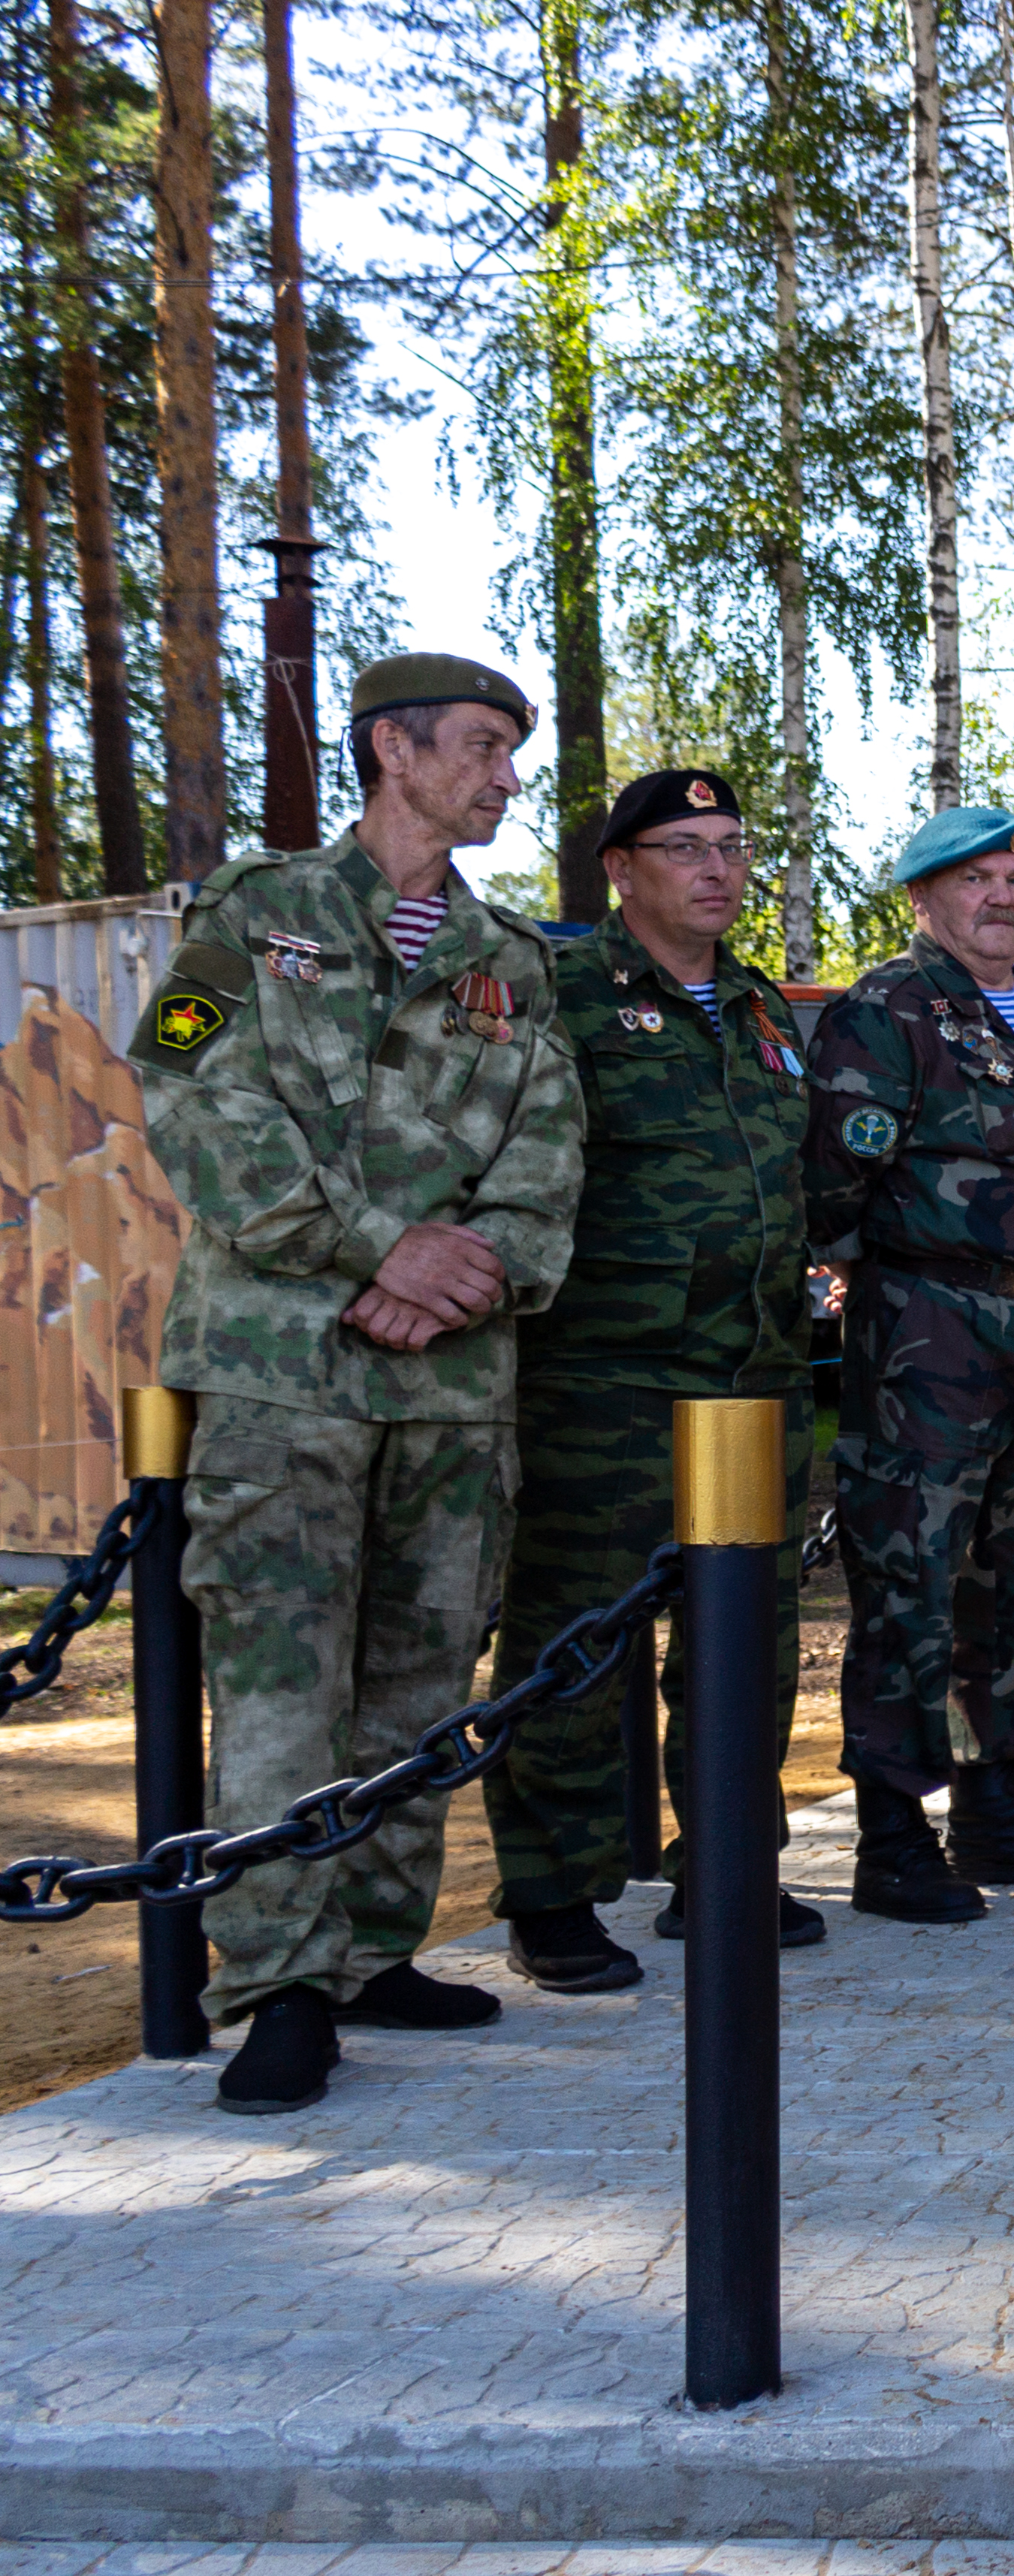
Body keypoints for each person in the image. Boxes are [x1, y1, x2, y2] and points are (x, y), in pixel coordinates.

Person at [127, 651, 584, 2114]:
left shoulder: (512, 961)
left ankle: (374, 1945)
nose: (505, 775)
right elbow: (191, 1096)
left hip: (452, 1385)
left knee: (414, 1675)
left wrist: (465, 1270)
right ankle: (275, 1985)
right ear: (392, 749)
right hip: (283, 1374)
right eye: (480, 747)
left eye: (511, 751)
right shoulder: (250, 916)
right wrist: (381, 1247)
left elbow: (549, 1153)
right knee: (278, 1686)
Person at [487, 768, 822, 1994]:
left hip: (756, 1379)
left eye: (733, 846)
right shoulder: (560, 994)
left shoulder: (761, 1007)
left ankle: (726, 1862)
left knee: (750, 1647)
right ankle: (553, 1891)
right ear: (621, 869)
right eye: (687, 848)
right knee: (575, 1644)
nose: (719, 870)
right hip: (605, 1382)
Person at [806, 806, 1014, 1922]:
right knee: (910, 1580)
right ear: (923, 901)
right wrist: (877, 1281)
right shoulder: (888, 1009)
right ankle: (890, 1835)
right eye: (974, 881)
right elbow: (837, 1181)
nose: (1002, 897)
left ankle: (994, 1803)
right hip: (932, 1335)